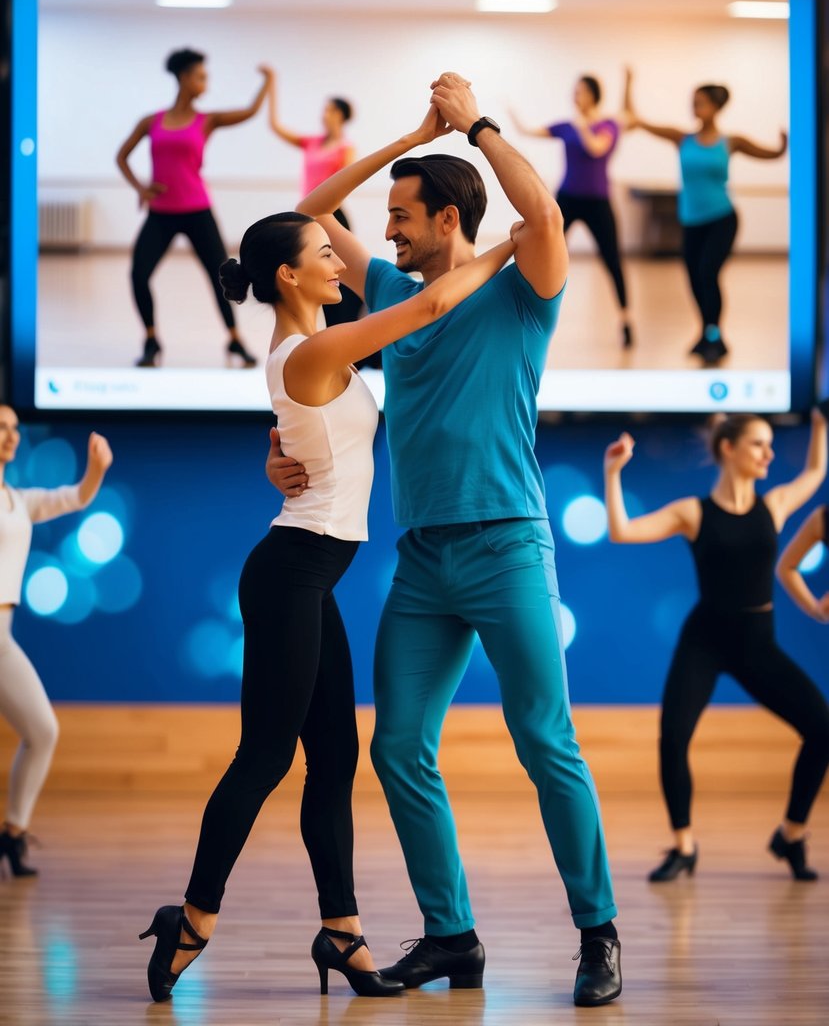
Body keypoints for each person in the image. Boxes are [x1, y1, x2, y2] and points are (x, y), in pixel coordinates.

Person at [137, 105, 521, 1004]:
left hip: (312, 573)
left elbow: (310, 207)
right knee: (264, 757)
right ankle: (192, 918)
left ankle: (342, 934)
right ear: (288, 277)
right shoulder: (310, 351)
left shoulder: (301, 341)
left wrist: (402, 142)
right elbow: (429, 303)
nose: (338, 255)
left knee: (335, 762)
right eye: (321, 254)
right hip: (291, 571)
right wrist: (510, 244)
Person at [267, 72, 622, 1009]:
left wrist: (478, 128)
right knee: (398, 750)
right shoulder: (385, 288)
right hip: (421, 559)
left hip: (508, 545)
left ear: (448, 219)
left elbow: (540, 214)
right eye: (386, 217)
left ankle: (598, 931)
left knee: (544, 741)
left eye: (403, 216)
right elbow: (302, 216)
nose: (386, 231)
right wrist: (402, 142)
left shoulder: (521, 294)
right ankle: (451, 935)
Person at [604, 411, 829, 882]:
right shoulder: (693, 512)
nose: (768, 454)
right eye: (758, 445)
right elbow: (623, 531)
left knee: (822, 728)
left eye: (770, 445)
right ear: (729, 449)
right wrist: (612, 473)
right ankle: (684, 846)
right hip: (705, 639)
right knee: (673, 739)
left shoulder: (777, 505)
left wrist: (820, 424)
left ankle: (790, 835)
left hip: (757, 642)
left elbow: (815, 472)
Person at [0, 407, 113, 877]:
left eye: (12, 429)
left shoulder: (17, 500)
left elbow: (75, 498)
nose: (9, 436)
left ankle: (13, 834)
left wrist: (96, 470)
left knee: (43, 731)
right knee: (43, 731)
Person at [116, 49, 270, 368]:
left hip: (197, 209)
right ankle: (151, 339)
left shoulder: (207, 120)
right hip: (161, 212)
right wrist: (141, 188)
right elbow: (122, 156)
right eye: (200, 77)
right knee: (138, 274)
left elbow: (250, 111)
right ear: (184, 78)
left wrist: (268, 82)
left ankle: (235, 339)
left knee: (220, 275)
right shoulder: (151, 121)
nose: (205, 83)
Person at [623, 70, 787, 365]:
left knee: (708, 273)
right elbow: (638, 120)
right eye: (693, 102)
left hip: (722, 219)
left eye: (700, 102)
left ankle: (715, 335)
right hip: (691, 222)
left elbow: (771, 154)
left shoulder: (731, 141)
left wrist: (783, 145)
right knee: (694, 279)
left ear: (715, 106)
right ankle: (706, 331)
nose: (694, 107)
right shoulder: (682, 138)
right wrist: (628, 83)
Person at [511, 74, 633, 348]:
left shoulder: (608, 126)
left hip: (598, 202)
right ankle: (524, 313)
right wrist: (511, 112)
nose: (575, 96)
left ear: (593, 95)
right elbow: (528, 131)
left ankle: (626, 320)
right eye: (574, 91)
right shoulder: (567, 126)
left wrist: (581, 127)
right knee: (542, 250)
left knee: (612, 259)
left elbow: (596, 147)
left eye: (580, 92)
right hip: (567, 198)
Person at [266, 75, 372, 343]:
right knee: (314, 275)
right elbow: (276, 127)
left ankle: (345, 332)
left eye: (328, 110)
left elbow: (347, 182)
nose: (323, 115)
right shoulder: (312, 142)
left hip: (331, 216)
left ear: (340, 116)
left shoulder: (345, 148)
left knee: (339, 274)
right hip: (306, 218)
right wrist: (271, 86)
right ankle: (328, 335)